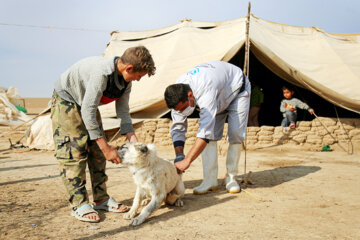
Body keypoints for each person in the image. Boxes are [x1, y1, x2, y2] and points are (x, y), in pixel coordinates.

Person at [50, 46, 155, 223]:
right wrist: (107, 148)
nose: (138, 80)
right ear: (128, 68)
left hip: (86, 105)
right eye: (139, 76)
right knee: (73, 152)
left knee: (97, 152)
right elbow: (88, 110)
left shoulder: (125, 82)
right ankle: (79, 204)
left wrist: (134, 142)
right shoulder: (101, 74)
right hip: (67, 100)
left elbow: (123, 113)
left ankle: (101, 199)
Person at [164, 61, 250, 195]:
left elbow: (204, 133)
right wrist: (180, 156)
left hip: (237, 89)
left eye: (183, 109)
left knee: (235, 133)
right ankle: (210, 181)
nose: (181, 113)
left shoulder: (205, 89)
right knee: (213, 136)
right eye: (177, 111)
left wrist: (187, 161)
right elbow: (178, 128)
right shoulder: (177, 94)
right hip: (218, 92)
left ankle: (231, 178)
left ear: (190, 96)